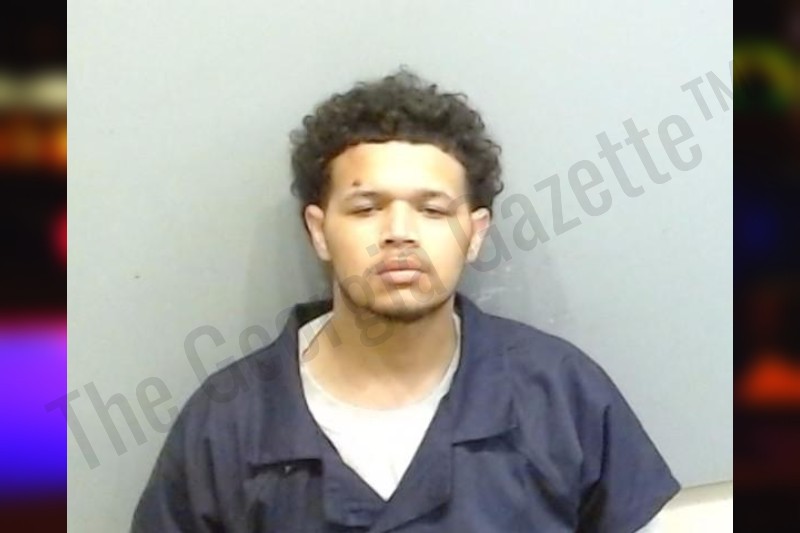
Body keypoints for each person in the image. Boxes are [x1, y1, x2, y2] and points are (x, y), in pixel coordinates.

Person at [131, 68, 679, 532]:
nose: (399, 232)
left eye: (433, 210)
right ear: (319, 231)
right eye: (366, 208)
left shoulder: (563, 395)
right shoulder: (227, 423)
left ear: (475, 233)